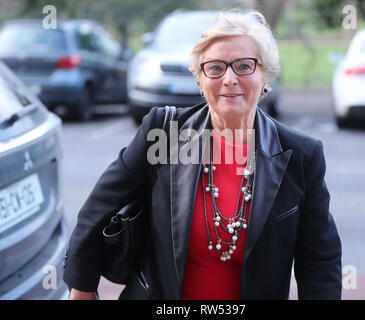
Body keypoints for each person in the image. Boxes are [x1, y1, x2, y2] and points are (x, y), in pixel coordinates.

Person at [64, 10, 342, 300]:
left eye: (244, 66)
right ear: (200, 78)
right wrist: (82, 290)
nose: (230, 78)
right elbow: (97, 211)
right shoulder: (164, 134)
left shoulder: (301, 155)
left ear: (265, 76)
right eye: (216, 67)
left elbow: (320, 258)